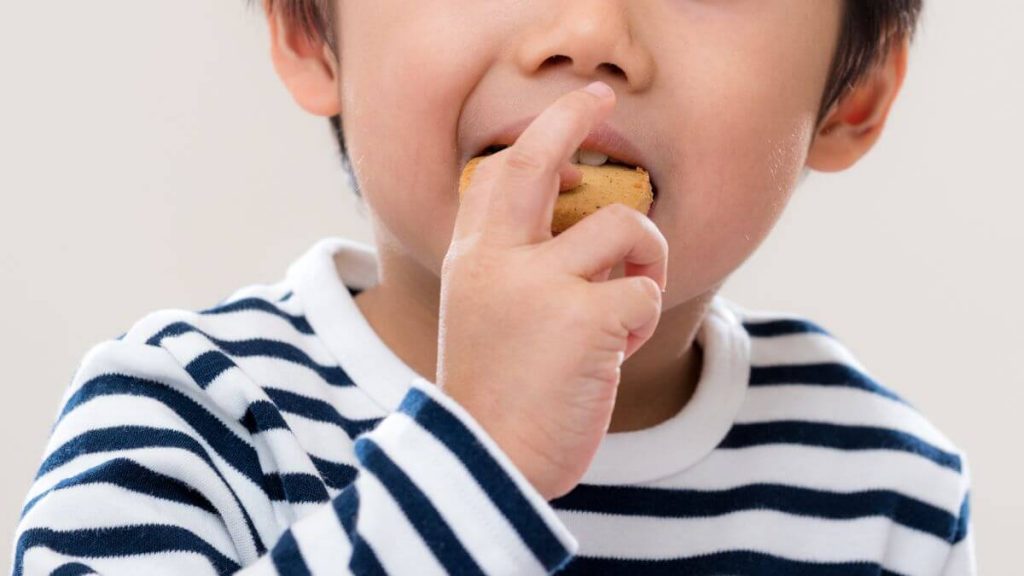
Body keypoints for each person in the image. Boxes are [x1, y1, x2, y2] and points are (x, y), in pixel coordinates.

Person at [11, 1, 975, 574]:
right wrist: (475, 461)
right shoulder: (186, 419)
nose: (590, 33)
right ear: (312, 33)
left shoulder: (887, 491)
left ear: (854, 99)